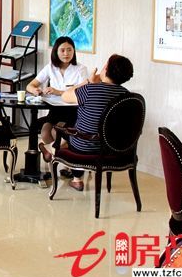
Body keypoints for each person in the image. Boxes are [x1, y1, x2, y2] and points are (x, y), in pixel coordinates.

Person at [38, 54, 134, 191]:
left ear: (106, 69)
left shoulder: (90, 90)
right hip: (115, 149)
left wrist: (88, 81)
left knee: (62, 130)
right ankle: (53, 151)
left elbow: (65, 96)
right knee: (70, 133)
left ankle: (51, 149)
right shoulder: (127, 96)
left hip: (86, 147)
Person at [26, 36, 88, 145]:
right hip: (55, 110)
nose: (66, 53)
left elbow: (82, 93)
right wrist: (35, 90)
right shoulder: (50, 67)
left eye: (69, 50)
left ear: (74, 51)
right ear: (56, 51)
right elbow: (30, 85)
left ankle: (58, 152)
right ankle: (54, 153)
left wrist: (58, 92)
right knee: (45, 132)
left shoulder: (80, 69)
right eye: (62, 50)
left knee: (56, 133)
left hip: (72, 111)